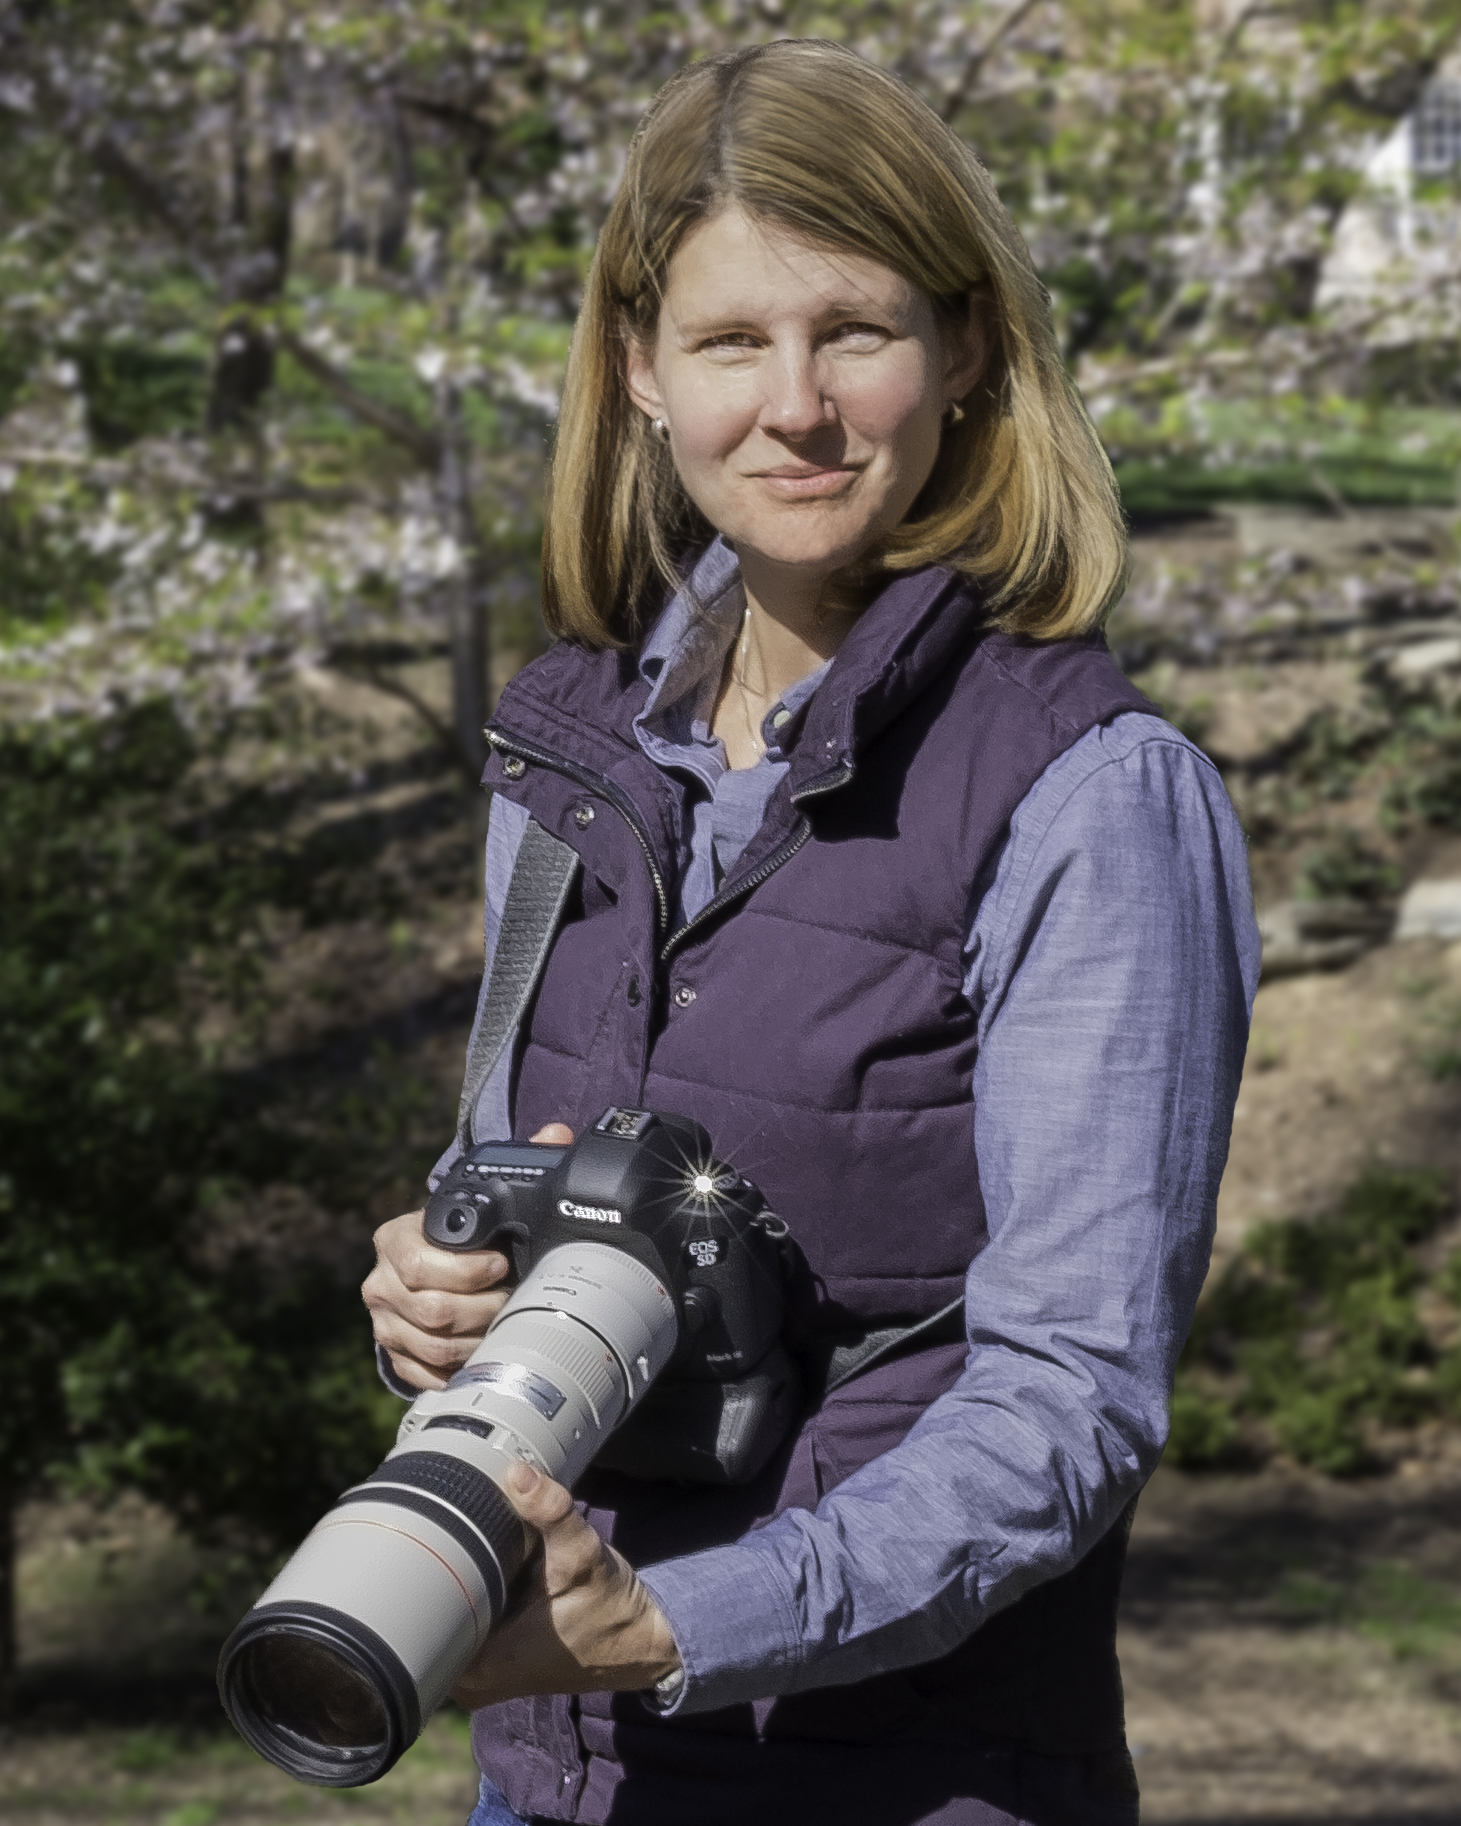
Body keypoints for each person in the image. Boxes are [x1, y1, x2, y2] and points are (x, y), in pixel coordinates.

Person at [362, 38, 1259, 1826]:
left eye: (852, 330)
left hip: (913, 1778)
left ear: (965, 349)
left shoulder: (1089, 792)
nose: (796, 405)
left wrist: (666, 1622)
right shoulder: (571, 759)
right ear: (637, 367)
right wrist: (433, 1299)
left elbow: (1067, 1402)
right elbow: (526, 1197)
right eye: (728, 341)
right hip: (552, 1777)